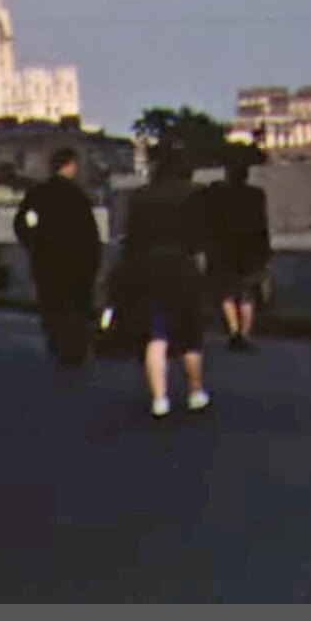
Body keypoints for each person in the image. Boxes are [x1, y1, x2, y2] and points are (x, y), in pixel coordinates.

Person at [115, 143, 210, 419]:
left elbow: (130, 240)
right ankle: (195, 392)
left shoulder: (141, 196)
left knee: (156, 335)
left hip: (148, 271)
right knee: (190, 335)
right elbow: (204, 236)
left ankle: (160, 399)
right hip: (182, 268)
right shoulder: (197, 194)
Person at [15, 148, 102, 367]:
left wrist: (34, 243)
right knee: (76, 304)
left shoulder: (38, 193)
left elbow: (21, 223)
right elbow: (89, 232)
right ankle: (75, 348)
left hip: (46, 260)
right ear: (70, 165)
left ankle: (57, 343)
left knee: (52, 303)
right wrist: (93, 260)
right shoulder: (77, 195)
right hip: (77, 261)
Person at [202, 160, 271, 351]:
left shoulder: (219, 195)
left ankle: (234, 332)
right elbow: (262, 223)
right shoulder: (256, 195)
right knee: (247, 294)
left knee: (227, 294)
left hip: (224, 250)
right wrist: (265, 251)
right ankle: (245, 334)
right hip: (250, 249)